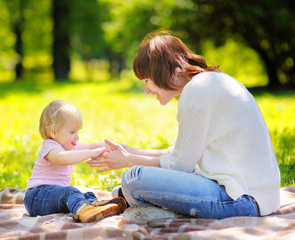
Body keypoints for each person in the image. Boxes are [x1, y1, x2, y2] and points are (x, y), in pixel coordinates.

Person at [87, 31, 281, 219]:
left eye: (147, 80)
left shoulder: (196, 90)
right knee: (128, 185)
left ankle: (164, 213)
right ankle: (157, 207)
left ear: (161, 71)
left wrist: (130, 161)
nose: (146, 90)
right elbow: (183, 153)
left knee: (133, 178)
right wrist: (132, 152)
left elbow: (180, 165)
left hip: (240, 200)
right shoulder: (211, 82)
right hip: (259, 198)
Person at [23, 100, 126, 223]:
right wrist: (91, 154)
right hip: (36, 197)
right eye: (72, 132)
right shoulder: (50, 146)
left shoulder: (68, 145)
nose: (77, 136)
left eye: (78, 132)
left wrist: (106, 147)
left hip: (54, 197)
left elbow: (89, 146)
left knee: (86, 193)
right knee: (70, 192)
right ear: (54, 132)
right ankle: (86, 211)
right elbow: (63, 158)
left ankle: (96, 207)